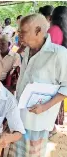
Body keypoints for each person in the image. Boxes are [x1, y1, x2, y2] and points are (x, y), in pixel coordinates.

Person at [7, 14, 67, 157]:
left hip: (37, 120)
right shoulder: (27, 50)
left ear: (38, 31)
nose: (19, 35)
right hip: (19, 116)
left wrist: (45, 107)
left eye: (23, 32)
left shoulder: (58, 54)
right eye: (19, 31)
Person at [47, 6, 67, 137]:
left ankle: (49, 127)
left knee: (47, 101)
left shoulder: (54, 30)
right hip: (61, 72)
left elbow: (46, 51)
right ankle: (53, 125)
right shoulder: (64, 30)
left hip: (51, 71)